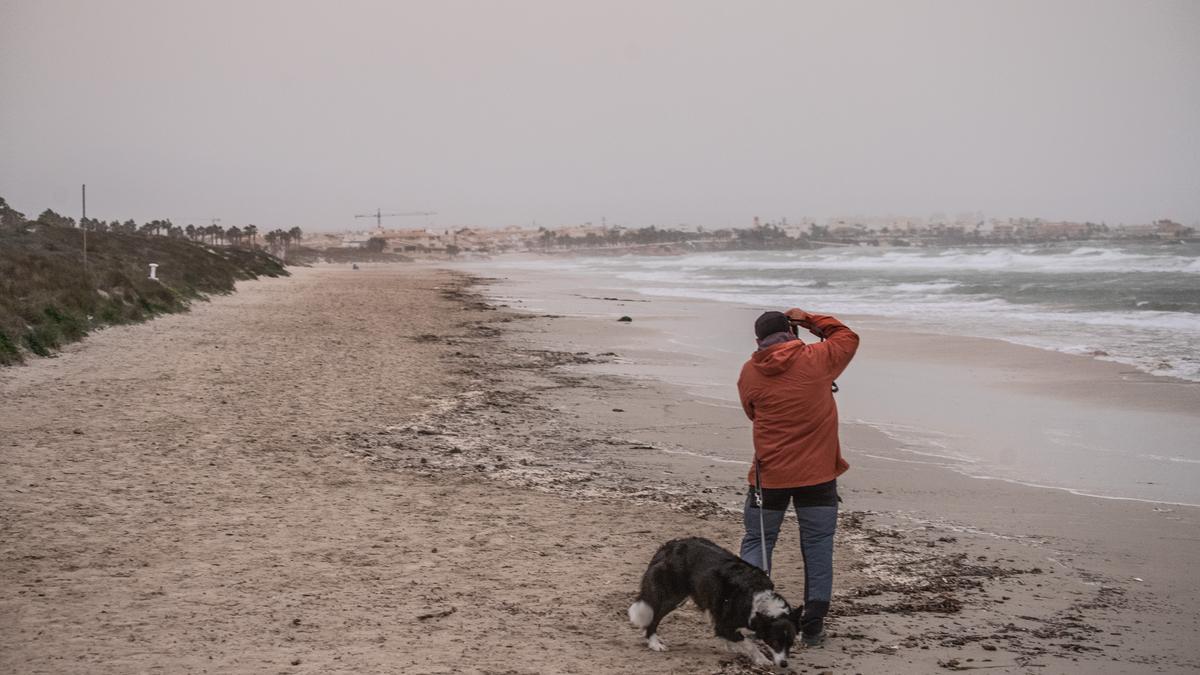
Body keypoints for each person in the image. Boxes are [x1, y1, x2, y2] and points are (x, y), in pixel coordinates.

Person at [737, 307, 859, 647]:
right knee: (817, 545)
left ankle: (752, 613)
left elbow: (752, 412)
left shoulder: (750, 371)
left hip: (770, 475)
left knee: (758, 541)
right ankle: (814, 623)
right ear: (792, 333)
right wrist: (808, 319)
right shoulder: (819, 358)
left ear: (759, 340)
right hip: (818, 475)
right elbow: (847, 337)